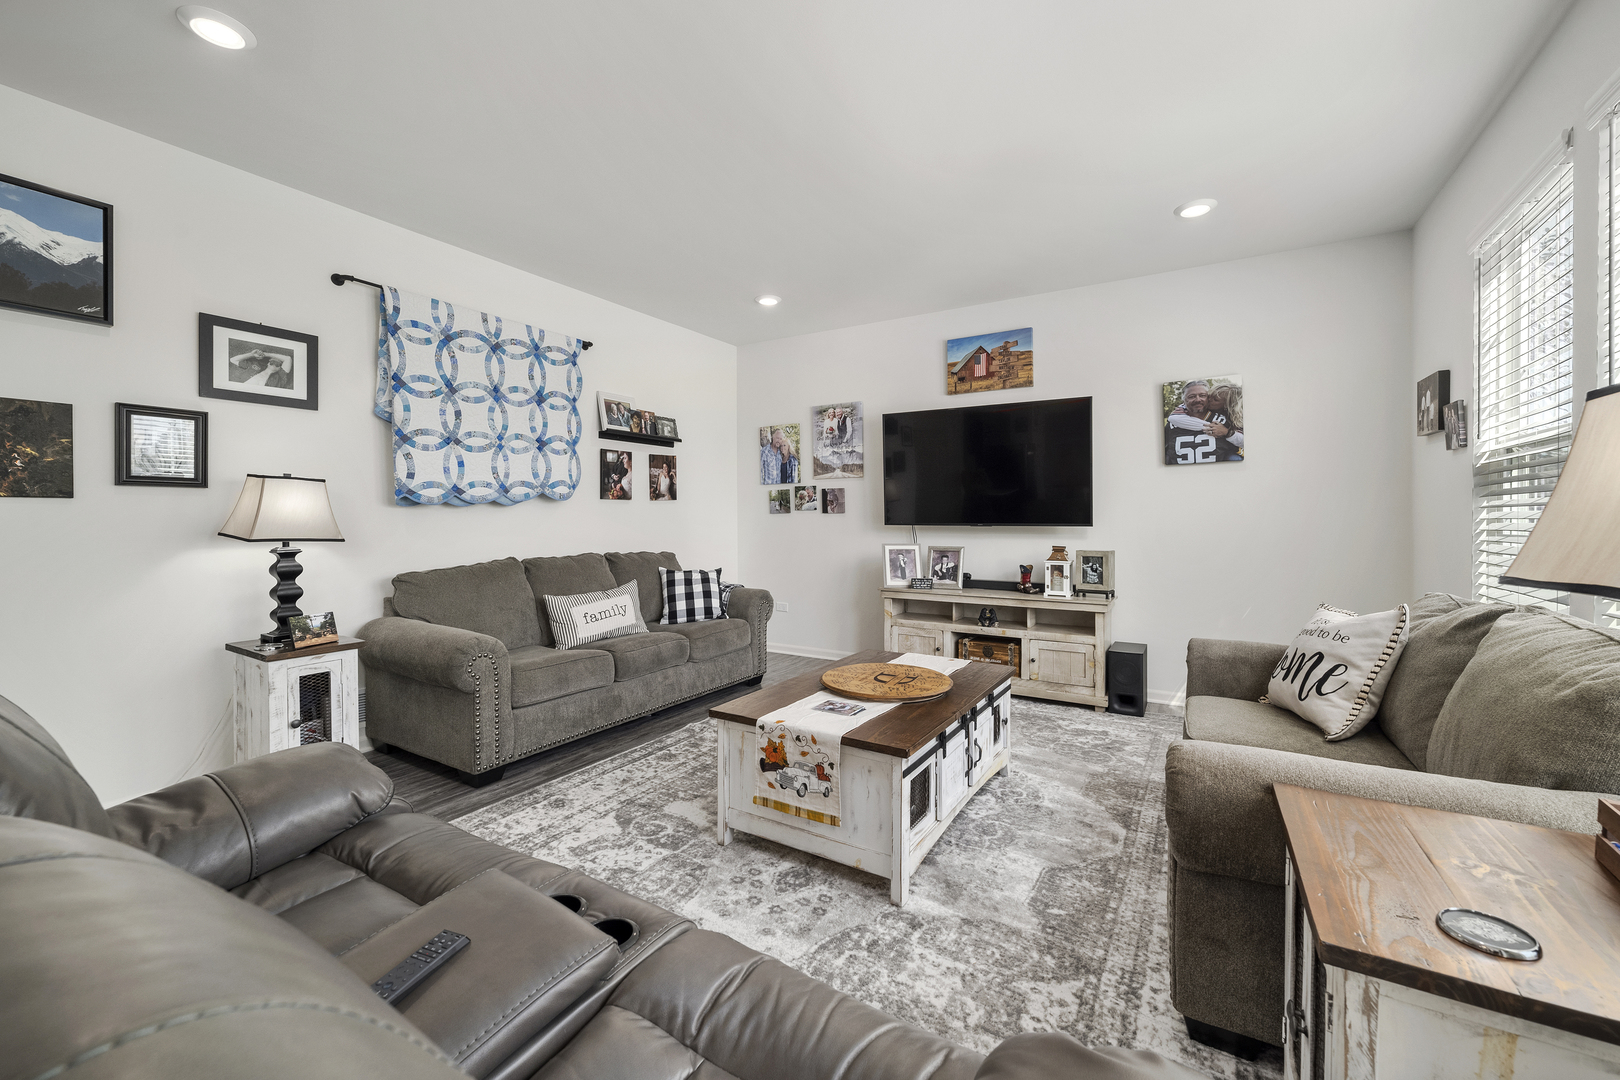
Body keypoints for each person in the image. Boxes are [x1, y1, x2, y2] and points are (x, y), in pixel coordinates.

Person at [1165, 380, 1244, 465]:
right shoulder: (1174, 421)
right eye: (1191, 396)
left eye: (1203, 395)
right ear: (1184, 400)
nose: (1198, 399)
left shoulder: (1227, 421)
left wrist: (1227, 432)